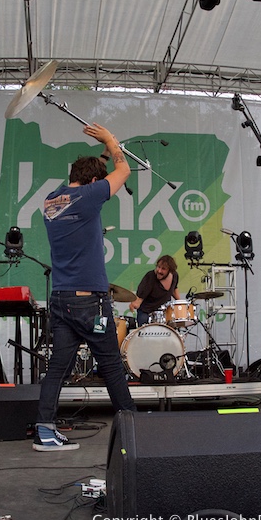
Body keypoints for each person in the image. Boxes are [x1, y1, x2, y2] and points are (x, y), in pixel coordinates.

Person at [35, 122, 137, 452]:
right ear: (93, 182)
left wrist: (102, 153)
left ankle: (45, 430)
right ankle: (134, 428)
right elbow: (125, 170)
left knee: (58, 369)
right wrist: (110, 138)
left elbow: (97, 174)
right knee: (110, 365)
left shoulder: (52, 200)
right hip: (88, 303)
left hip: (62, 300)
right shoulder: (90, 196)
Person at [128, 255, 181, 326]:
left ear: (170, 270)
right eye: (158, 267)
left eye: (163, 269)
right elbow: (139, 299)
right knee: (145, 331)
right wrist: (134, 304)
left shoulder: (174, 276)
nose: (159, 271)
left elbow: (174, 289)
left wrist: (180, 303)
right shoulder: (150, 277)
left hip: (164, 312)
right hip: (146, 312)